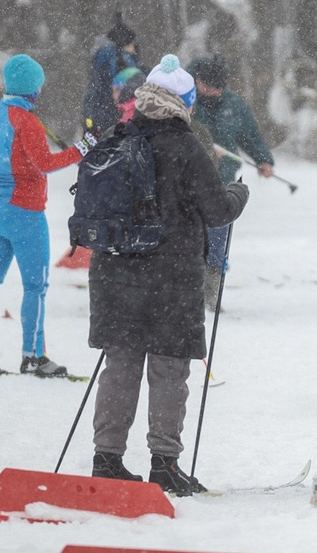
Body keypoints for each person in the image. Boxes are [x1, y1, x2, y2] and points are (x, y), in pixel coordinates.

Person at [85, 59, 248, 493]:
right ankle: (164, 463)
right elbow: (216, 211)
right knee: (169, 369)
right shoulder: (185, 144)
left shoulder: (116, 138)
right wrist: (238, 193)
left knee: (120, 365)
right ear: (183, 102)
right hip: (169, 276)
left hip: (115, 272)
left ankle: (106, 459)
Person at [0, 54, 84, 377]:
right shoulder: (27, 122)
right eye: (39, 87)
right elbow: (44, 163)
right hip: (25, 213)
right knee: (35, 286)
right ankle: (33, 356)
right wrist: (79, 151)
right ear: (32, 90)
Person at [190, 55, 275, 312]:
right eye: (207, 86)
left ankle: (212, 295)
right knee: (191, 238)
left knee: (217, 239)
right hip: (190, 182)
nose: (212, 92)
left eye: (218, 87)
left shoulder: (233, 106)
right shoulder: (187, 99)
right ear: (198, 81)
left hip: (222, 183)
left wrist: (263, 159)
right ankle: (188, 294)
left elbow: (249, 134)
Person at [83, 13, 140, 139]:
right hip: (115, 120)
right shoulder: (121, 61)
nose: (133, 50)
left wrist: (88, 121)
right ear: (124, 44)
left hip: (100, 119)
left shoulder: (102, 58)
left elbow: (93, 94)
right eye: (131, 45)